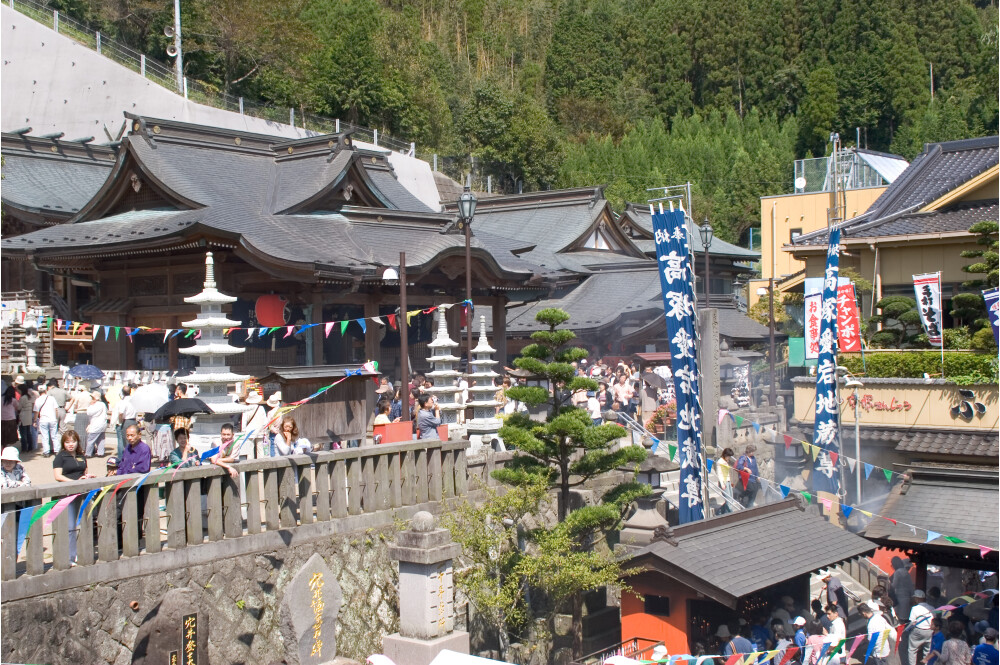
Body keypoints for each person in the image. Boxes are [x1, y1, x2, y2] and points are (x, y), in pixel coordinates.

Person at [52, 430, 94, 563]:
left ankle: (79, 551)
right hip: (67, 494)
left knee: (82, 522)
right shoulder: (60, 457)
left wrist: (87, 477)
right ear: (63, 443)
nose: (71, 445)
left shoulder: (81, 455)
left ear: (77, 442)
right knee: (70, 525)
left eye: (73, 441)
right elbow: (58, 476)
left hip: (81, 493)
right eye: (67, 442)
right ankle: (69, 556)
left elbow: (84, 471)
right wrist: (74, 483)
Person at [860, 601, 894, 665]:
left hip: (878, 652)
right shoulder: (879, 617)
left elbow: (870, 640)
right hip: (885, 648)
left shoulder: (870, 624)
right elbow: (888, 628)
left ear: (864, 613)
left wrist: (864, 639)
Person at [909, 590, 936, 665]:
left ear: (917, 598)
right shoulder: (932, 607)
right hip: (929, 631)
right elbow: (934, 620)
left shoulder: (915, 608)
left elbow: (912, 622)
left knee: (912, 650)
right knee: (927, 650)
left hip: (918, 631)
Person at [33, 383, 60, 457]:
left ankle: (46, 451)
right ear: (45, 391)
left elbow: (36, 412)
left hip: (43, 419)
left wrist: (35, 421)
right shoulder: (51, 398)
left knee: (45, 436)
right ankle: (57, 450)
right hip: (52, 419)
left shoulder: (37, 400)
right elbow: (56, 409)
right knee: (54, 435)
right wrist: (56, 418)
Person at [241, 392, 268, 459]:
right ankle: (261, 467)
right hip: (260, 431)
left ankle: (250, 466)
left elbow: (244, 421)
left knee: (250, 450)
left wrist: (243, 431)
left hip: (249, 431)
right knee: (260, 450)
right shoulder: (261, 408)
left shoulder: (246, 408)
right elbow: (265, 421)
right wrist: (265, 430)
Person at [891, 557, 916, 623]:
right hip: (907, 596)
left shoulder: (897, 572)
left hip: (899, 596)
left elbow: (894, 585)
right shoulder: (906, 572)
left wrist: (889, 585)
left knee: (899, 617)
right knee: (906, 616)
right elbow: (910, 585)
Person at [85, 390, 109, 458]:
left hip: (96, 424)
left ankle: (88, 453)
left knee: (91, 439)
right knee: (101, 439)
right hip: (102, 424)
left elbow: (89, 412)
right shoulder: (103, 404)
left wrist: (90, 405)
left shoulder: (97, 405)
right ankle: (101, 453)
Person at [16, 379, 36, 453]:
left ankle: (24, 447)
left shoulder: (22, 398)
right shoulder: (29, 397)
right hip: (28, 416)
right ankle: (30, 446)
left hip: (23, 417)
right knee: (28, 432)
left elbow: (19, 408)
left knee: (23, 433)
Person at [716, 447, 737, 513]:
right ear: (725, 455)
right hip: (723, 482)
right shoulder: (720, 461)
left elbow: (728, 473)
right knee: (728, 500)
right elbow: (719, 473)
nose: (729, 458)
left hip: (728, 481)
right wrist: (722, 484)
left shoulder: (726, 461)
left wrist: (731, 482)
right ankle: (731, 513)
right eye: (728, 456)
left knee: (731, 499)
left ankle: (720, 511)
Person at [265, 392, 283, 457]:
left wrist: (273, 430)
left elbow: (268, 424)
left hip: (273, 431)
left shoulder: (270, 413)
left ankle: (273, 459)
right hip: (281, 430)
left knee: (272, 445)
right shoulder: (281, 411)